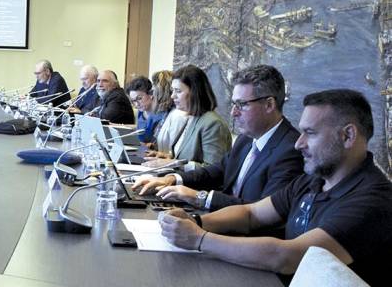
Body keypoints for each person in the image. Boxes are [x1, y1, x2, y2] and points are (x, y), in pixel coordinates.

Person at [158, 89, 392, 287]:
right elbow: (251, 213)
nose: (299, 143)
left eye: (310, 133)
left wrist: (200, 239)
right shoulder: (312, 181)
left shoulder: (373, 201)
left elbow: (287, 257)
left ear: (348, 136)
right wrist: (197, 221)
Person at [134, 65, 303, 211]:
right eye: (233, 104)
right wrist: (172, 179)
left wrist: (201, 197)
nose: (233, 113)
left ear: (269, 105)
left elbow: (261, 213)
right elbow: (217, 170)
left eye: (242, 105)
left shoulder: (291, 151)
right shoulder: (246, 139)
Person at [144, 65, 231, 168]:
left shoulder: (213, 124)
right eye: (173, 91)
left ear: (195, 92)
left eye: (178, 91)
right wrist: (165, 157)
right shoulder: (191, 117)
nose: (172, 96)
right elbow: (187, 156)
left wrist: (172, 163)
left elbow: (214, 169)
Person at [126, 76, 166, 143]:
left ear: (151, 94)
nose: (136, 104)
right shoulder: (141, 111)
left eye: (139, 98)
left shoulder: (160, 114)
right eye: (133, 101)